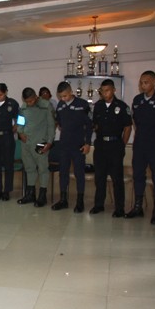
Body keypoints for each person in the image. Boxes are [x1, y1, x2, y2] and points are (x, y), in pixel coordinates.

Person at [125, 71, 155, 224]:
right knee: (138, 175)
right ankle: (138, 207)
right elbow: (134, 119)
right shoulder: (137, 100)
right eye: (141, 82)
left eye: (146, 82)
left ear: (154, 81)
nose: (143, 85)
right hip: (140, 144)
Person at [89, 79, 132, 217]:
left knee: (117, 178)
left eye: (107, 90)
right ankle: (99, 204)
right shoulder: (98, 106)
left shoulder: (122, 106)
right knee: (99, 177)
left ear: (114, 90)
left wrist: (122, 144)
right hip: (101, 145)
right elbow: (95, 124)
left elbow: (128, 127)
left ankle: (119, 208)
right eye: (102, 91)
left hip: (115, 145)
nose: (104, 93)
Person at [51, 81, 92, 213]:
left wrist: (88, 143)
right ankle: (63, 200)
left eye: (65, 96)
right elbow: (60, 123)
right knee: (63, 173)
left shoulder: (82, 104)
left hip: (78, 145)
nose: (63, 99)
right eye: (60, 97)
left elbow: (89, 125)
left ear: (71, 92)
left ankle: (80, 201)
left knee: (79, 173)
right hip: (64, 145)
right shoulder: (60, 106)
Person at [16, 87, 55, 206]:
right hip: (26, 142)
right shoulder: (23, 107)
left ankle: (42, 196)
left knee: (43, 169)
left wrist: (49, 142)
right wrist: (20, 132)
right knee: (29, 168)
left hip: (40, 142)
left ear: (36, 97)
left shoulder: (46, 106)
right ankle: (30, 194)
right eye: (27, 101)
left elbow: (51, 125)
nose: (29, 103)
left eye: (31, 101)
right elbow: (20, 121)